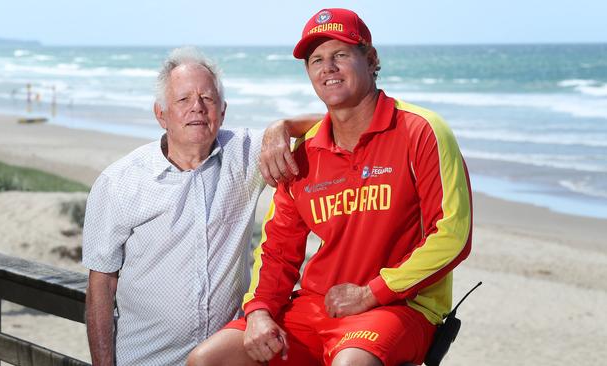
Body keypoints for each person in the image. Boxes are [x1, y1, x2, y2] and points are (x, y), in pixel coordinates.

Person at [188, 8, 473, 366]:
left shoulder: (422, 132)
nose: (328, 68)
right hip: (316, 305)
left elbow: (452, 235)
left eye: (340, 55)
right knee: (208, 360)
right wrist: (260, 311)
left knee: (350, 363)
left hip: (398, 306)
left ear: (370, 59)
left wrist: (372, 293)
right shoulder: (304, 152)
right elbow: (278, 250)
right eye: (317, 60)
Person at [82, 47, 317, 365]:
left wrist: (283, 126)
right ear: (161, 114)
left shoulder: (245, 153)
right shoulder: (118, 182)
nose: (197, 108)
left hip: (224, 359)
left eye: (207, 99)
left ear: (223, 110)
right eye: (183, 100)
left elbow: (338, 123)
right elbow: (101, 285)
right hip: (144, 360)